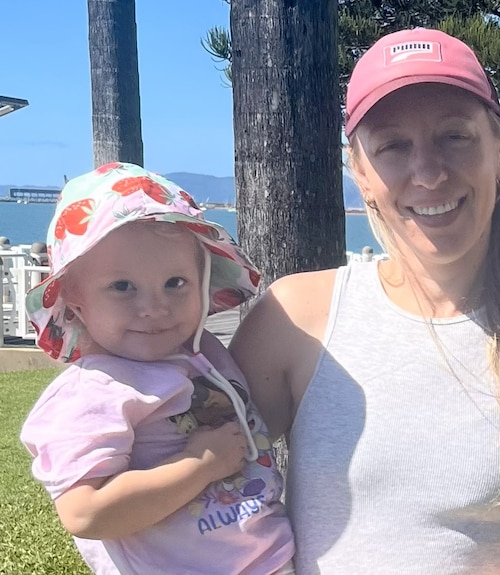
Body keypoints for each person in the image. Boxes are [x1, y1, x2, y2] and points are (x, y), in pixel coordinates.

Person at [229, 27, 500, 574]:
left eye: (455, 137)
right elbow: (187, 478)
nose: (427, 172)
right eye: (392, 146)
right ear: (360, 171)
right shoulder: (294, 318)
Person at [20, 163, 295, 575]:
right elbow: (86, 513)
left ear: (203, 279)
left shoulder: (209, 354)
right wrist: (198, 464)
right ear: (75, 299)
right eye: (122, 286)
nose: (155, 308)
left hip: (271, 558)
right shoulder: (94, 391)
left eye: (176, 283)